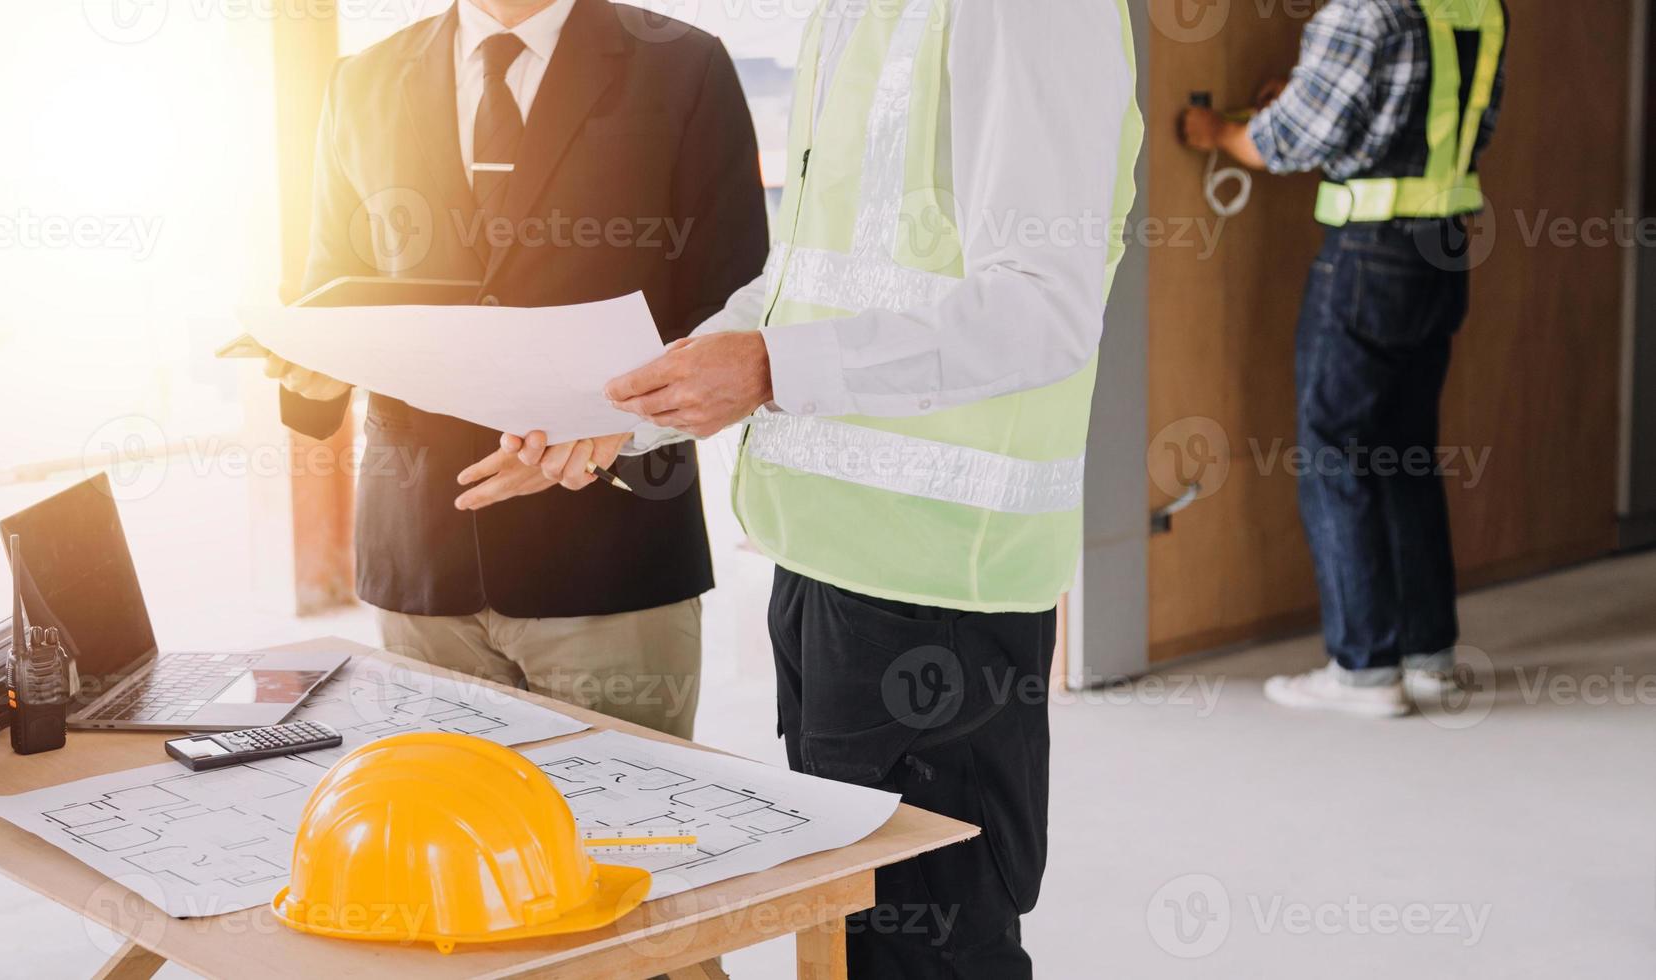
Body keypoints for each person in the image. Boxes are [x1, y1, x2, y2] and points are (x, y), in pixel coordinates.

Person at [475, 0, 1143, 974]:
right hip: (820, 563)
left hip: (942, 587)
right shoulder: (852, 13)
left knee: (930, 950)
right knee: (846, 933)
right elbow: (799, 284)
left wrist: (773, 370)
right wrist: (635, 406)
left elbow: (1039, 309)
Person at [264, 0, 768, 738]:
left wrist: (603, 430)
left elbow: (730, 305)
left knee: (618, 834)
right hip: (420, 556)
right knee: (442, 834)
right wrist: (305, 361)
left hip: (609, 552)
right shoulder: (362, 80)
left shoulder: (681, 64)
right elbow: (332, 285)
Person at [1180, 0, 1507, 717]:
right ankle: (1428, 660)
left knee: (1338, 452)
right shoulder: (1480, 8)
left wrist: (1213, 131)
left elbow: (1279, 146)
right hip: (1441, 252)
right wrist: (1299, 97)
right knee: (1406, 453)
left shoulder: (1361, 14)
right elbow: (1430, 122)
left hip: (1368, 255)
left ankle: (1362, 671)